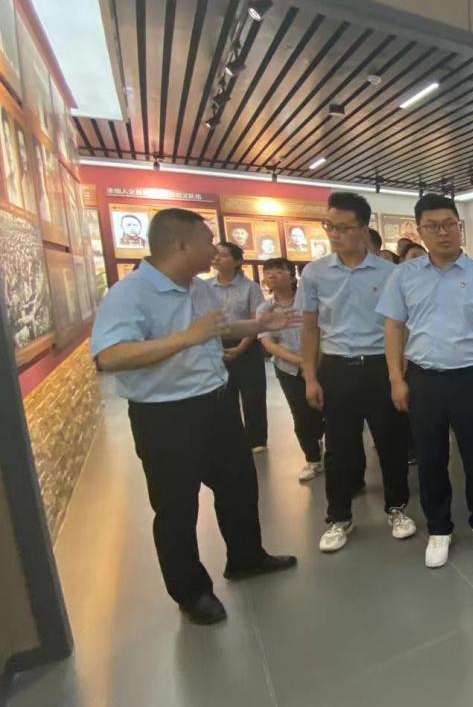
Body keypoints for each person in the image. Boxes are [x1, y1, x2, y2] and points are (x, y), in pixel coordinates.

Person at [90, 208, 297, 625]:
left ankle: (246, 557)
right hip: (166, 416)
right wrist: (186, 338)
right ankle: (192, 593)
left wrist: (258, 325)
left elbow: (220, 329)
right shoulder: (129, 294)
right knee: (176, 507)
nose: (216, 250)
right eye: (208, 241)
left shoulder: (197, 288)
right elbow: (109, 355)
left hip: (215, 404)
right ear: (181, 245)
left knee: (239, 485)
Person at [379, 194, 473, 568]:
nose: (443, 232)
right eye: (433, 226)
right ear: (419, 231)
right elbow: (393, 327)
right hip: (424, 380)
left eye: (450, 224)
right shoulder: (404, 275)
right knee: (430, 457)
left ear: (459, 226)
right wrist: (396, 378)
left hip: (472, 378)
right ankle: (439, 528)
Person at [301, 192, 416, 553]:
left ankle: (397, 508)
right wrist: (310, 376)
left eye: (342, 227)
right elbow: (309, 328)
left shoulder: (391, 273)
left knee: (392, 442)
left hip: (381, 366)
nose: (334, 234)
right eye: (329, 226)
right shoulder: (315, 273)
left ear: (364, 230)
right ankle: (339, 517)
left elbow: (401, 326)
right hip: (336, 368)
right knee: (339, 448)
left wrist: (400, 373)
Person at [258, 257, 324, 482]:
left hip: (320, 363)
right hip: (288, 368)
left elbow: (322, 331)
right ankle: (313, 459)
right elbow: (268, 343)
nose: (272, 275)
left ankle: (323, 442)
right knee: (301, 415)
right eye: (268, 272)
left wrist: (312, 361)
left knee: (325, 410)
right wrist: (300, 361)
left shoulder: (309, 301)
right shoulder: (265, 309)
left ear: (292, 276)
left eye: (279, 270)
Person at [210, 241, 268, 450]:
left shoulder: (250, 288)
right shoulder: (205, 288)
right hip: (217, 346)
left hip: (247, 345)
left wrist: (241, 348)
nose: (217, 258)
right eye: (215, 254)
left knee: (253, 394)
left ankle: (257, 440)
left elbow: (256, 320)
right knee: (225, 395)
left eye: (223, 255)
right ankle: (233, 439)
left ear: (237, 261)